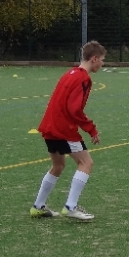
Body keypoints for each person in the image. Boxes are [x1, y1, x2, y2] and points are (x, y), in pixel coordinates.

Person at [30, 41, 106, 220]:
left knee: (58, 165)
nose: (102, 64)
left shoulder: (69, 74)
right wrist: (91, 129)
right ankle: (70, 207)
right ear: (94, 59)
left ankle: (38, 206)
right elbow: (74, 109)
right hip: (63, 129)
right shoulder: (84, 79)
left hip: (49, 126)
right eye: (102, 60)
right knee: (86, 163)